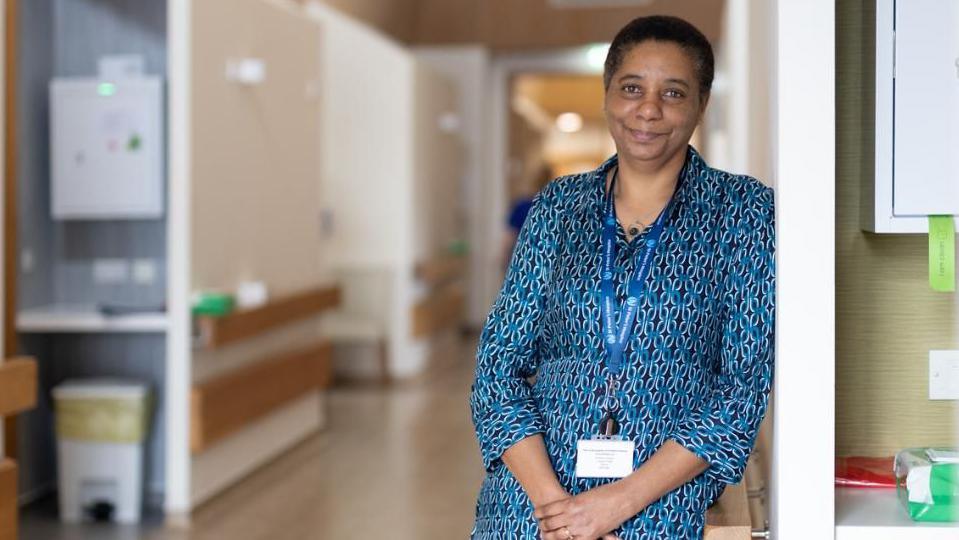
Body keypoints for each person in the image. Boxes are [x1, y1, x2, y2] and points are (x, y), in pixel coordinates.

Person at [469, 15, 775, 540]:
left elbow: (741, 388)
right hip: (534, 495)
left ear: (701, 104)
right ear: (608, 94)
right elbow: (497, 371)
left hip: (660, 495)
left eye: (673, 93)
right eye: (632, 88)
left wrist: (613, 505)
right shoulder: (556, 209)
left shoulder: (742, 211)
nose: (649, 110)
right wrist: (555, 508)